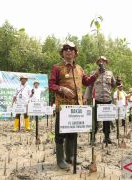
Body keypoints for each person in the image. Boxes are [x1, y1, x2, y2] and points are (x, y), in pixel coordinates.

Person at [49, 41, 98, 169]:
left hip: (77, 106)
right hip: (63, 107)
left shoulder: (79, 68)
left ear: (75, 53)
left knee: (73, 131)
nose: (68, 51)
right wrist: (62, 89)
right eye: (66, 49)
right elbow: (51, 85)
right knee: (60, 133)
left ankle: (70, 157)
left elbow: (86, 82)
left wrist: (96, 74)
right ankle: (60, 160)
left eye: (71, 49)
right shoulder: (57, 67)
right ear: (62, 53)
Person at [84, 56, 116, 144]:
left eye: (103, 61)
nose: (102, 62)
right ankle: (93, 137)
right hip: (97, 99)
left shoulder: (110, 73)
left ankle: (107, 137)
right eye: (100, 61)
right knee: (94, 120)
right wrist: (86, 97)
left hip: (107, 99)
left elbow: (113, 84)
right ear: (97, 63)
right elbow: (89, 86)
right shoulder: (93, 73)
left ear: (106, 62)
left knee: (107, 120)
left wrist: (117, 82)